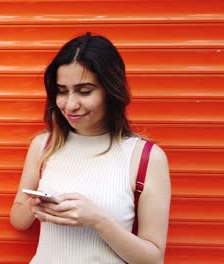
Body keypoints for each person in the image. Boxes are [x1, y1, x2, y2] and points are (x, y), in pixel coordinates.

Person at [10, 32, 171, 263]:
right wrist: (33, 205)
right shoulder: (43, 145)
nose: (71, 104)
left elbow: (153, 259)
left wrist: (96, 220)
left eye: (84, 91)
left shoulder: (145, 157)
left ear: (111, 90)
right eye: (62, 91)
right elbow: (18, 220)